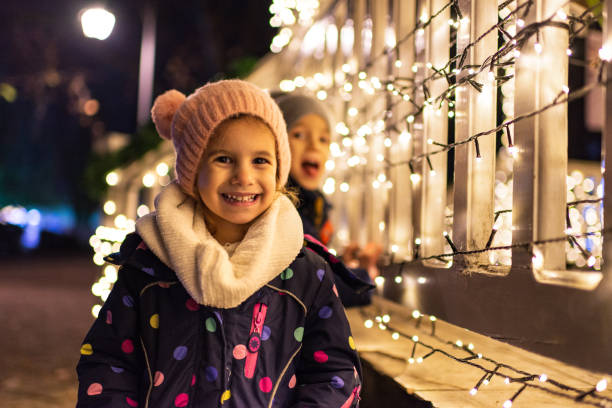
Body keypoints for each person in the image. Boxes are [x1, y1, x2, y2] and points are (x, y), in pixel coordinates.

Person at [76, 80, 362, 407]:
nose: (243, 176)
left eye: (260, 161)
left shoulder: (305, 271)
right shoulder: (149, 264)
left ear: (279, 169)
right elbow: (109, 361)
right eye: (224, 159)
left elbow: (334, 374)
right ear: (192, 169)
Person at [273, 93, 379, 307]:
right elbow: (315, 286)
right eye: (299, 134)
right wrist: (364, 278)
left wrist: (340, 264)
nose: (314, 146)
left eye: (323, 139)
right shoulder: (284, 208)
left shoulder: (314, 205)